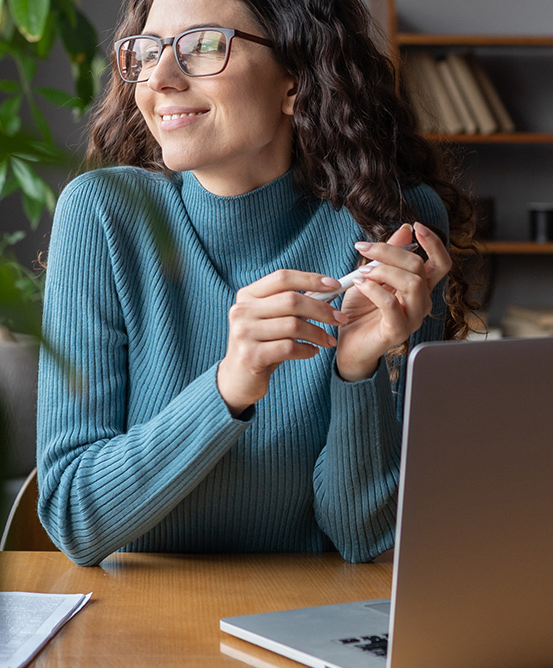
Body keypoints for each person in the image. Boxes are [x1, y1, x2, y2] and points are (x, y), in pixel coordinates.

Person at [35, 0, 482, 566]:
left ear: (295, 77)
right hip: (140, 616)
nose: (161, 79)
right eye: (146, 53)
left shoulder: (393, 227)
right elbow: (75, 517)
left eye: (202, 46)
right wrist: (228, 385)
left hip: (309, 624)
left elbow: (367, 536)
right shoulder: (103, 215)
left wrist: (357, 369)